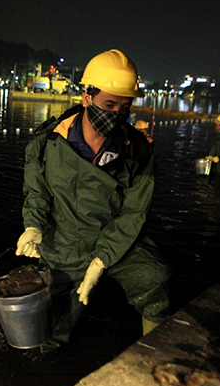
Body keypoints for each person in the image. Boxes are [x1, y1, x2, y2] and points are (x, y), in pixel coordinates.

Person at [16, 49, 170, 350]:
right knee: (53, 326)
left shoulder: (137, 151)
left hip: (117, 237)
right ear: (87, 97)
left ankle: (154, 360)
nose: (116, 114)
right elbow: (37, 193)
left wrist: (102, 259)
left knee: (155, 279)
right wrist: (33, 227)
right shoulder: (47, 143)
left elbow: (134, 213)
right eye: (109, 104)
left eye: (125, 107)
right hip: (65, 240)